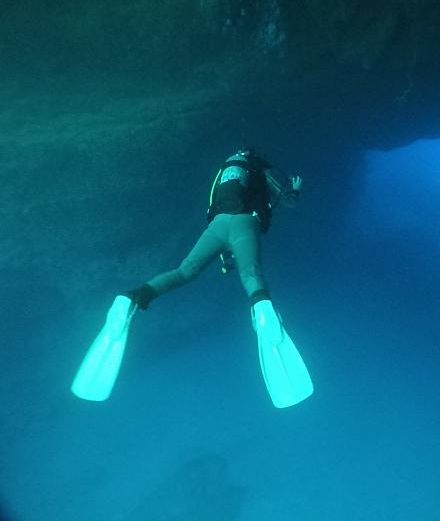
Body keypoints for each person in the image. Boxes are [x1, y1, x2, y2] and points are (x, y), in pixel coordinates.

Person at [70, 148, 314, 408]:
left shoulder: (225, 173)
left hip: (217, 225)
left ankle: (132, 298)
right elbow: (287, 200)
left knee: (184, 272)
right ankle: (263, 313)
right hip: (246, 223)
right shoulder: (258, 171)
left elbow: (213, 206)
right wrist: (294, 189)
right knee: (251, 274)